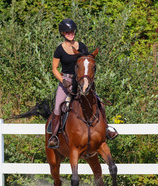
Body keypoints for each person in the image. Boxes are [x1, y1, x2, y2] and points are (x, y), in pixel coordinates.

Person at [48, 18, 118, 149]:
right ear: (63, 33)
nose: (70, 33)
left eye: (72, 31)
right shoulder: (59, 50)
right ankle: (54, 136)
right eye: (67, 32)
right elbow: (54, 69)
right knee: (58, 107)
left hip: (81, 80)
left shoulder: (82, 46)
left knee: (98, 101)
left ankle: (107, 129)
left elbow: (87, 61)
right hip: (66, 80)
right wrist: (63, 81)